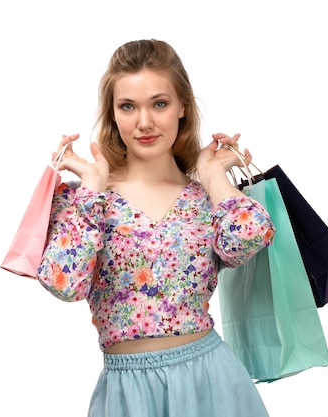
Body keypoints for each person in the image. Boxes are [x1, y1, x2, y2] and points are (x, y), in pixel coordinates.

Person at [37, 39, 276, 417]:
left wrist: (213, 176)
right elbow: (63, 284)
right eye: (128, 106)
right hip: (128, 394)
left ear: (182, 107)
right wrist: (93, 191)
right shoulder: (85, 200)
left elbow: (251, 237)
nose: (144, 122)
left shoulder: (204, 199)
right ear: (112, 114)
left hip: (211, 384)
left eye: (159, 104)